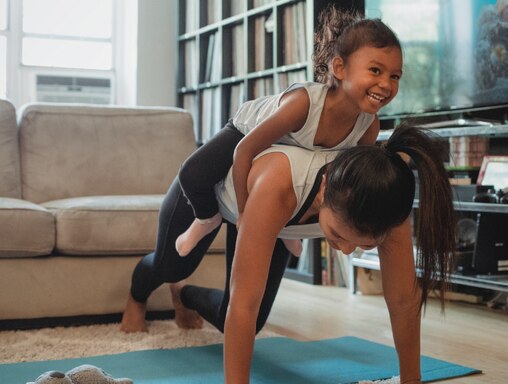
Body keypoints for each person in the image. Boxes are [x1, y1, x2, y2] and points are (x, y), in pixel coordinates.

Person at [120, 123, 456, 384]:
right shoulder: (282, 186)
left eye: (365, 245)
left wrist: (411, 379)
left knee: (244, 324)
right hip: (210, 196)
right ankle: (138, 296)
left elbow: (402, 300)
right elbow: (243, 301)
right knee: (171, 265)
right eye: (339, 235)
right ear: (324, 191)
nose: (349, 250)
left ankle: (184, 295)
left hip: (266, 221)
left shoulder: (385, 202)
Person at [174, 6, 403, 257]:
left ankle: (284, 233)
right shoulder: (303, 104)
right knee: (191, 173)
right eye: (375, 70)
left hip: (293, 155)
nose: (386, 84)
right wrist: (244, 214)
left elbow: (348, 178)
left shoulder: (368, 125)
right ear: (340, 68)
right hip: (244, 130)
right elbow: (244, 151)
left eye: (395, 76)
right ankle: (206, 219)